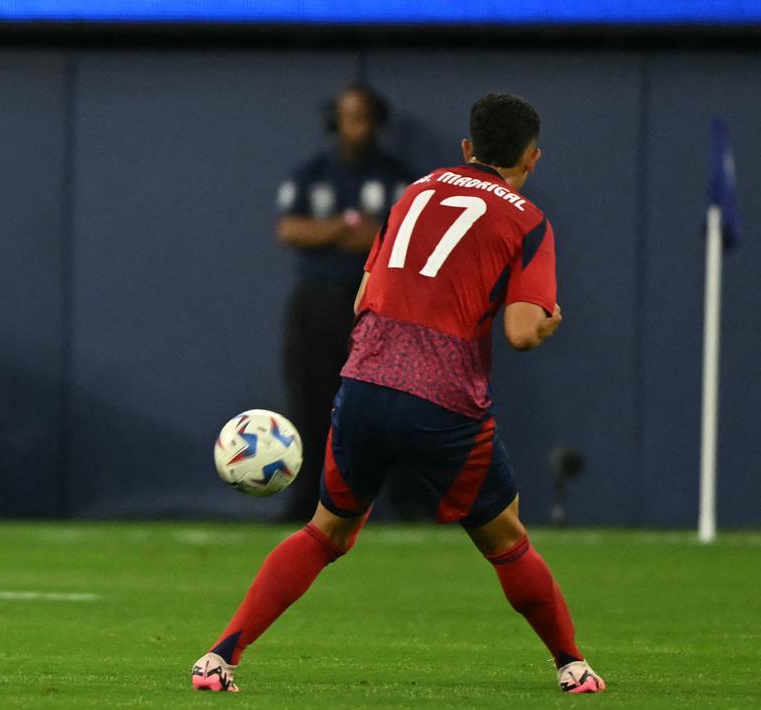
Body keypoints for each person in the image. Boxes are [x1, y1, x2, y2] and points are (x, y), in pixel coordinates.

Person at [192, 93, 605, 695]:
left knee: (324, 532)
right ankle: (573, 667)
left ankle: (219, 657)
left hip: (363, 382)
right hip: (443, 400)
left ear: (467, 149)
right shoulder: (527, 221)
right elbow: (520, 333)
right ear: (532, 159)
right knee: (508, 542)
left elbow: (364, 298)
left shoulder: (414, 191)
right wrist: (548, 321)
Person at [275, 83, 419, 521]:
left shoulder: (397, 177)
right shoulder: (312, 173)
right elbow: (289, 229)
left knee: (390, 405)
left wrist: (371, 237)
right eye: (346, 116)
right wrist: (339, 229)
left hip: (379, 306)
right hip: (318, 304)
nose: (353, 127)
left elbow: (410, 237)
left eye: (362, 117)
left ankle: (404, 504)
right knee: (312, 404)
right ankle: (306, 502)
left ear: (376, 122)